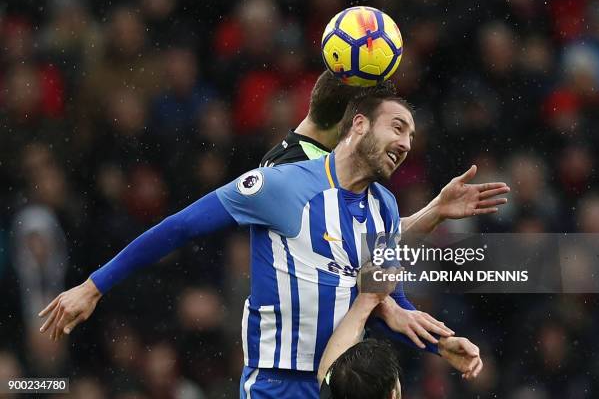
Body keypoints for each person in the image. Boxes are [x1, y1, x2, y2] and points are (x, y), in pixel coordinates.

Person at [39, 92, 476, 398]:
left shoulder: (384, 205)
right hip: (277, 384)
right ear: (358, 124)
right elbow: (180, 227)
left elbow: (386, 304)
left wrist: (442, 345)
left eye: (412, 137)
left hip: (344, 387)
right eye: (397, 128)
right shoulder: (280, 187)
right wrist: (94, 287)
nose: (405, 143)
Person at [260, 71, 510, 238]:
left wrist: (434, 211)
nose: (404, 146)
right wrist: (387, 306)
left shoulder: (325, 164)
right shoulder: (291, 168)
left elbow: (370, 242)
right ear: (353, 122)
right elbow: (342, 253)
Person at [317, 265, 483, 399]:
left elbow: (327, 369)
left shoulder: (331, 384)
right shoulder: (330, 384)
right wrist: (441, 344)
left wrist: (368, 298)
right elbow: (327, 372)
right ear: (393, 395)